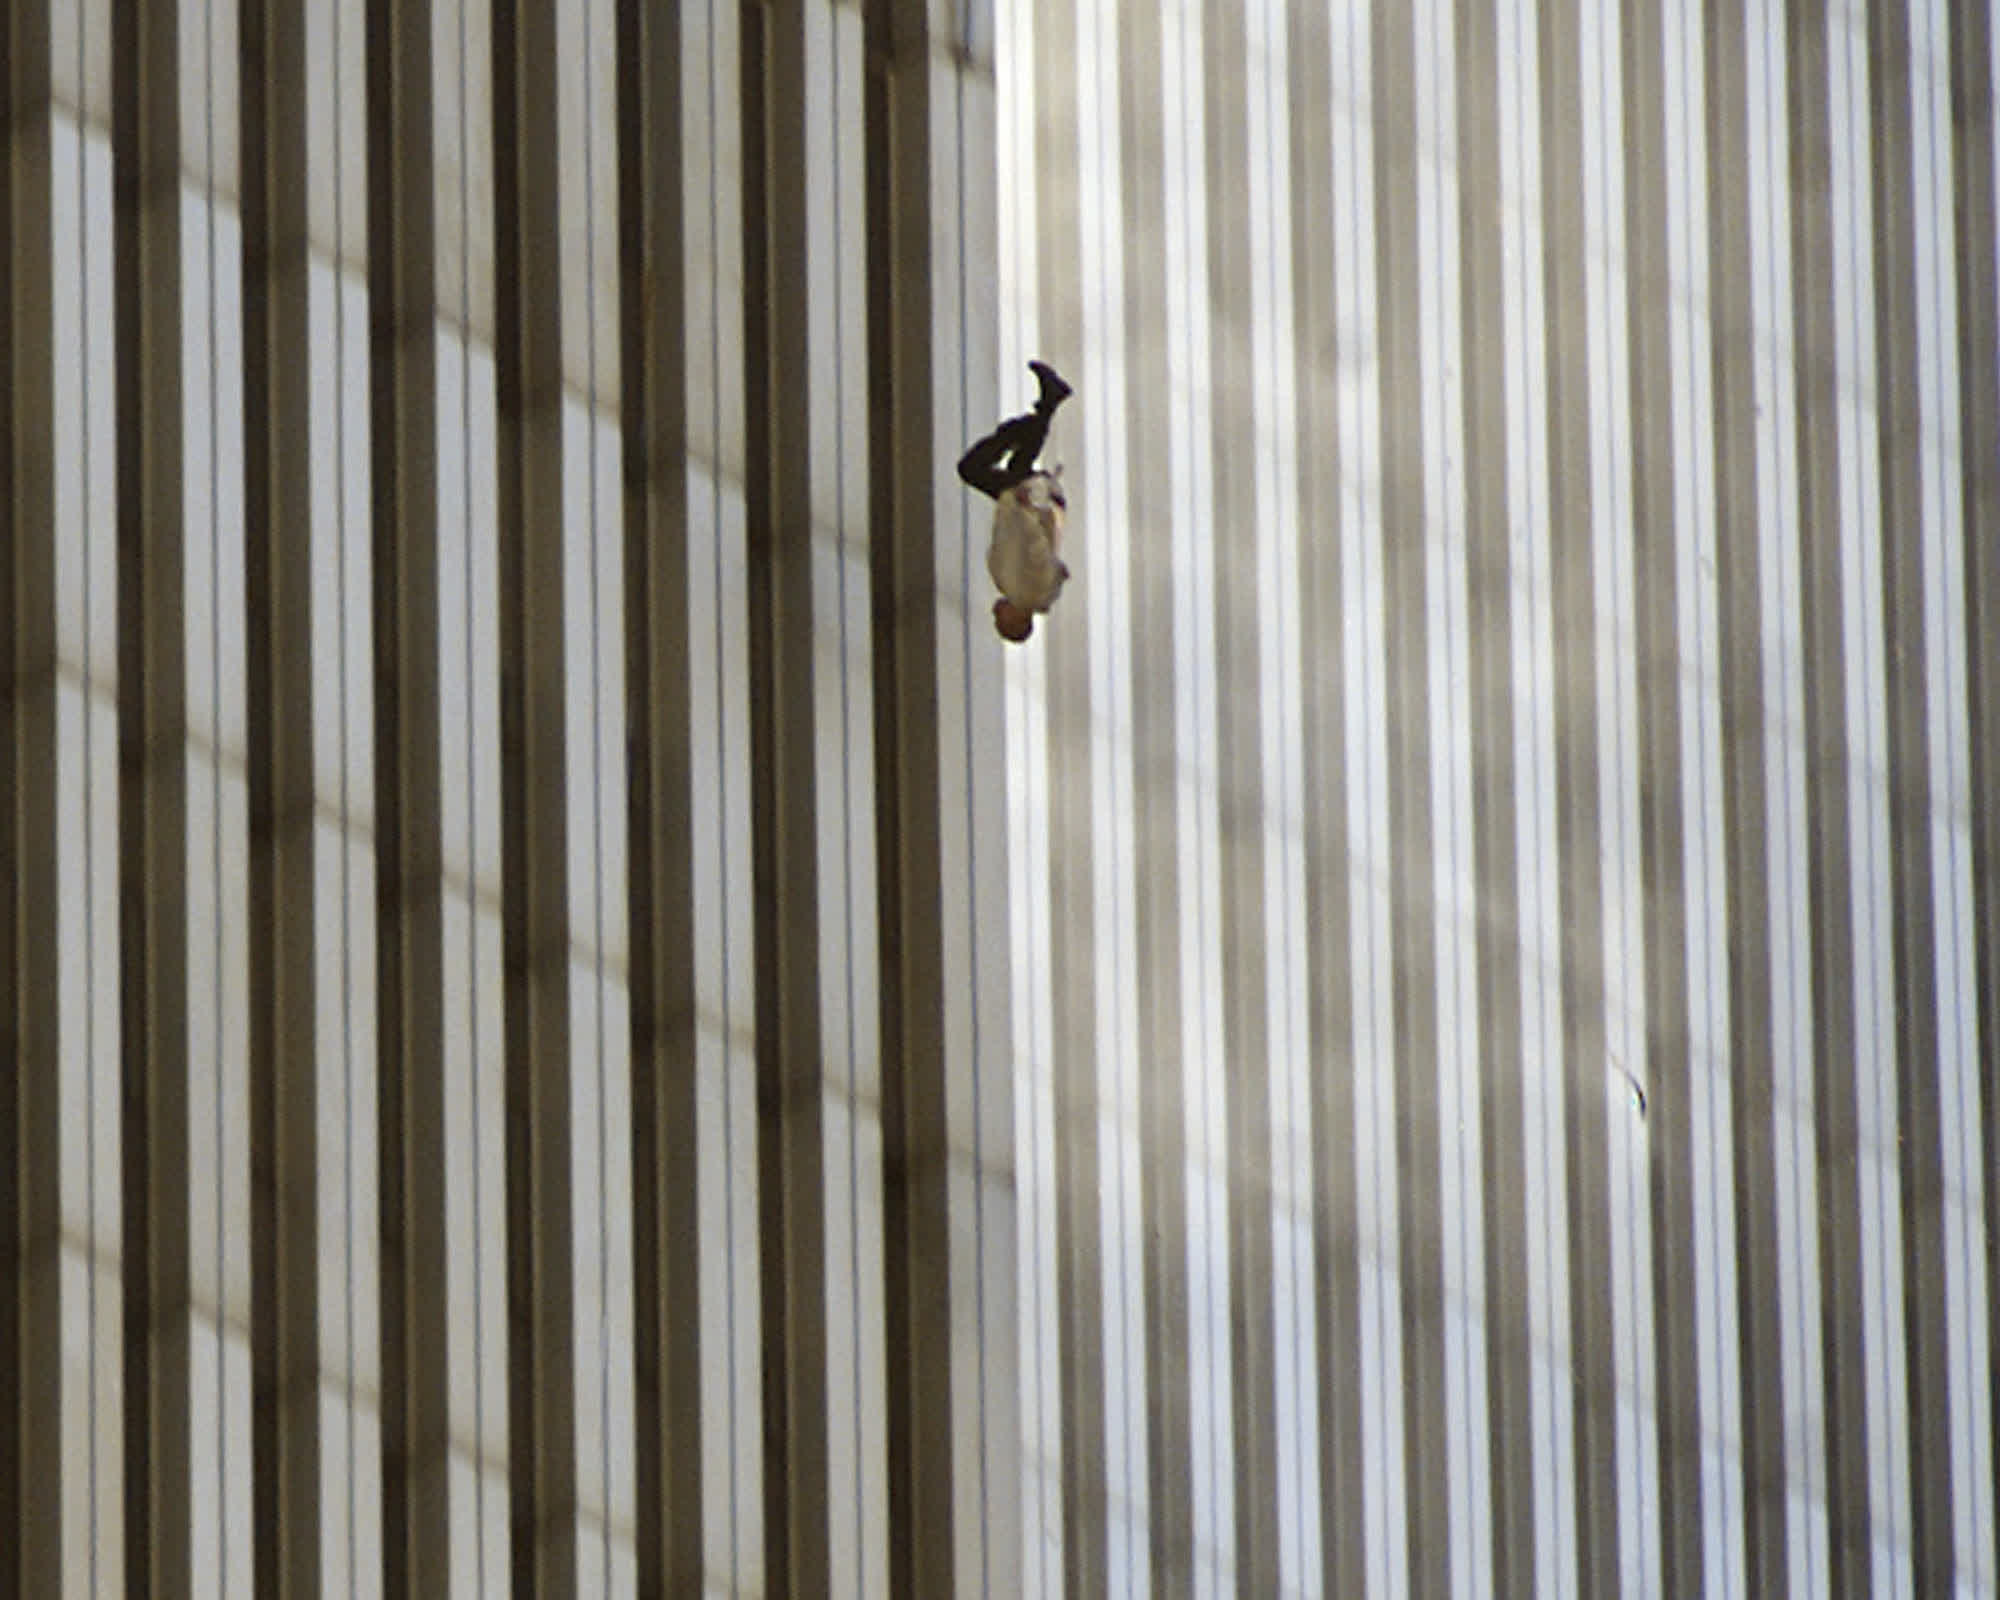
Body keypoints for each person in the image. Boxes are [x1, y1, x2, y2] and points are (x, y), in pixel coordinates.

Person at [959, 361, 1074, 642]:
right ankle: (1038, 414)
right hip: (1030, 505)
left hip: (1029, 504)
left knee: (1018, 464)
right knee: (972, 469)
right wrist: (1025, 510)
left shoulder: (1020, 589)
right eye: (1001, 621)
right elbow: (1038, 551)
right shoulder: (1028, 591)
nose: (995, 613)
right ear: (1015, 620)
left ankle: (1046, 405)